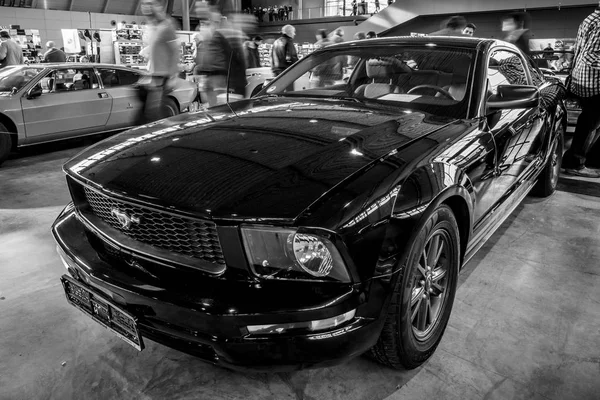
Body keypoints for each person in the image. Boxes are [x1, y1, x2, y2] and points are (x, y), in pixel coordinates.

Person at [562, 4, 600, 177]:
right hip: (593, 81)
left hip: (584, 78)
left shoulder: (591, 19)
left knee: (590, 121)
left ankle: (583, 160)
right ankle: (576, 162)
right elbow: (590, 55)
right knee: (589, 122)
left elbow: (579, 50)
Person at [137, 0, 179, 123]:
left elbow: (175, 52)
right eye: (144, 4)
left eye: (149, 4)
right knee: (152, 114)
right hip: (154, 77)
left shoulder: (166, 26)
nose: (146, 7)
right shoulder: (153, 27)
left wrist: (173, 76)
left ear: (157, 6)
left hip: (162, 78)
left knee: (155, 115)